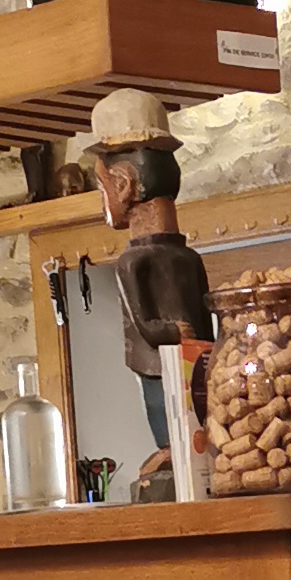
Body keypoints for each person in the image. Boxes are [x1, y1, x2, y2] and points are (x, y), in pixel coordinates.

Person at [71, 87, 211, 465]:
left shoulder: (170, 258)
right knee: (163, 408)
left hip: (190, 365)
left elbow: (200, 317)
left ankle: (182, 447)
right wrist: (175, 332)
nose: (102, 199)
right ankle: (170, 448)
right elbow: (144, 322)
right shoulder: (139, 261)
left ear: (123, 185)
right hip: (156, 365)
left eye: (101, 186)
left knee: (190, 410)